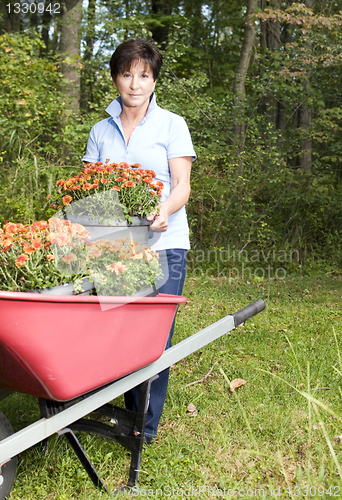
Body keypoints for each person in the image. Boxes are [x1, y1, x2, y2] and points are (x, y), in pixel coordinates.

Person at [82, 38, 196, 443]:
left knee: (153, 339)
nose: (134, 83)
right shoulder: (100, 130)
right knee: (121, 335)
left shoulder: (172, 124)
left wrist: (164, 210)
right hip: (117, 248)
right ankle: (124, 416)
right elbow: (87, 190)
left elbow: (181, 185)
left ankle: (144, 429)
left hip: (165, 243)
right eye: (127, 74)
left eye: (143, 75)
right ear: (115, 77)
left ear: (153, 80)